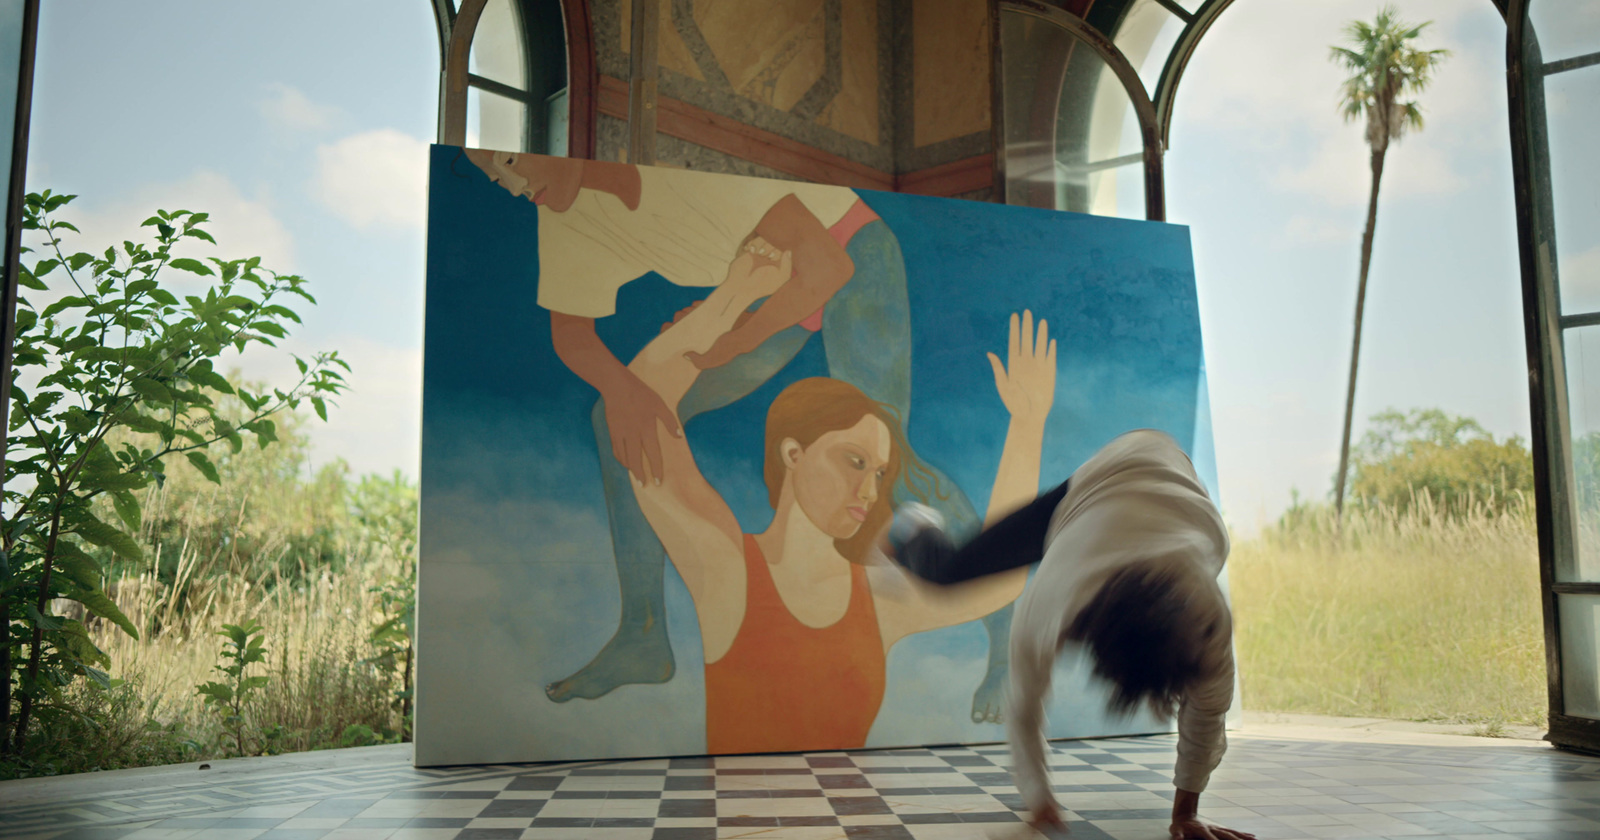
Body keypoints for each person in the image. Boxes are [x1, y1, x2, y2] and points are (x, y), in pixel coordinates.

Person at [461, 148, 1017, 722]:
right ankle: (643, 634)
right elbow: (572, 336)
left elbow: (830, 270)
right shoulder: (563, 221)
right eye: (495, 174)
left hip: (850, 252)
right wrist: (626, 388)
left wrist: (741, 333)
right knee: (615, 417)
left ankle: (1004, 634)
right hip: (773, 286)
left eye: (509, 160)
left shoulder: (693, 187)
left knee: (889, 455)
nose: (511, 182)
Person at [618, 236, 1057, 752]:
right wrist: (732, 299)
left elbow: (998, 586)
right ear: (792, 454)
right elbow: (640, 412)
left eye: (878, 472)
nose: (869, 489)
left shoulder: (873, 597)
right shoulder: (730, 570)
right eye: (853, 461)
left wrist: (1027, 426)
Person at [887, 430, 1253, 840]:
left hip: (1172, 479)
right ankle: (913, 527)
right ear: (1084, 635)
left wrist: (1185, 814)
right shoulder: (1052, 604)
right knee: (947, 572)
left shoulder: (1206, 618)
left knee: (1204, 683)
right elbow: (1025, 703)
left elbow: (1206, 714)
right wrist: (1038, 794)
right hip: (1092, 487)